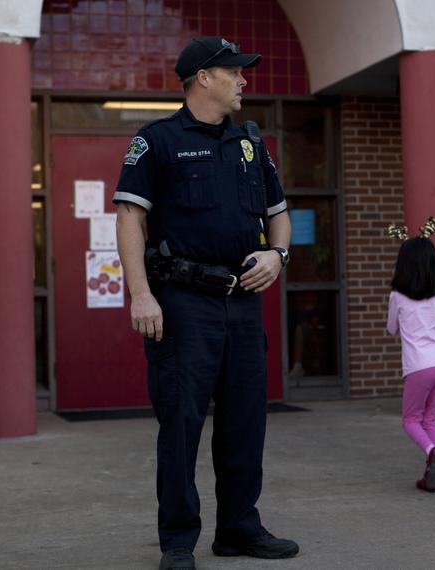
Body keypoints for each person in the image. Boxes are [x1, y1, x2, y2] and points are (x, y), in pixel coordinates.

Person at [113, 37, 297, 570]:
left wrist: (278, 255)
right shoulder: (157, 142)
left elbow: (279, 213)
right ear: (203, 78)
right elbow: (130, 219)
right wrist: (141, 294)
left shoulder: (250, 144)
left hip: (241, 303)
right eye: (234, 72)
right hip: (181, 303)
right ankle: (177, 542)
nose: (244, 81)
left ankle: (239, 528)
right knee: (181, 425)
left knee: (245, 422)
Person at [386, 230, 435, 493]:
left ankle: (432, 451)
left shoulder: (397, 296)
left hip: (418, 367)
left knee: (411, 420)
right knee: (431, 420)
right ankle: (431, 473)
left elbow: (392, 328)